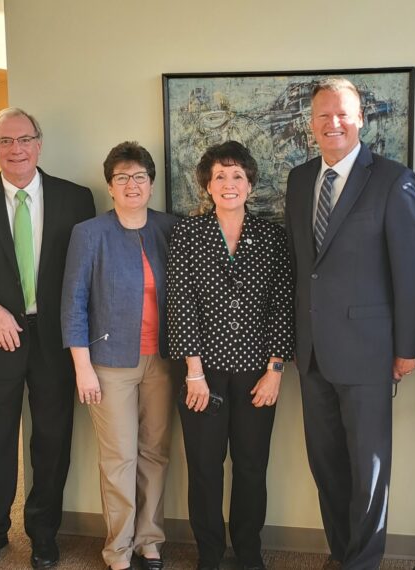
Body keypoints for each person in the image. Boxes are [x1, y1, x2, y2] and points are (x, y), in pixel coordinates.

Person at [0, 107, 96, 569]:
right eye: (5, 141)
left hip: (54, 340)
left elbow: (85, 274)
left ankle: (44, 535)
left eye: (24, 139)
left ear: (39, 144)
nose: (16, 149)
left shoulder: (75, 198)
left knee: (51, 441)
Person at [284, 77, 415, 570]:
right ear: (311, 124)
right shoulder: (300, 179)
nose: (333, 123)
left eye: (342, 113)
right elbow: (304, 267)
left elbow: (411, 271)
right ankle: (342, 553)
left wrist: (407, 347)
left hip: (370, 351)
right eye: (323, 115)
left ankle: (363, 563)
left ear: (361, 117)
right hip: (313, 352)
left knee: (368, 470)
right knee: (326, 466)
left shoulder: (392, 179)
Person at [167, 140, 294, 570]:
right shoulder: (188, 233)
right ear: (206, 184)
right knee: (204, 468)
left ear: (250, 184)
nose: (228, 183)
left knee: (252, 466)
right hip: (202, 374)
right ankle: (208, 554)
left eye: (237, 175)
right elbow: (180, 303)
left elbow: (283, 305)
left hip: (258, 373)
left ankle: (248, 551)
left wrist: (276, 369)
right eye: (219, 175)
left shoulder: (271, 236)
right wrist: (194, 373)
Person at [61, 142, 178, 570]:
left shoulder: (170, 227)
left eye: (140, 177)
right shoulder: (90, 233)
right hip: (109, 364)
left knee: (155, 453)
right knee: (119, 458)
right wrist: (82, 368)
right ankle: (118, 549)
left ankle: (150, 541)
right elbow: (72, 303)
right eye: (122, 178)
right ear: (110, 186)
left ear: (151, 183)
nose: (132, 185)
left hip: (162, 363)